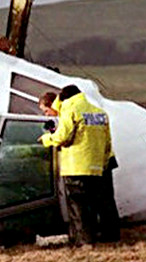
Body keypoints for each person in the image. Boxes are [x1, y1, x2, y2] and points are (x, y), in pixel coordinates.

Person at [39, 85, 115, 245]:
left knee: (78, 206)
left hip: (75, 166)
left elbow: (63, 136)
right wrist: (103, 163)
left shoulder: (70, 109)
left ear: (62, 99)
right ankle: (105, 237)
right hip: (96, 167)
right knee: (95, 204)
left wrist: (46, 139)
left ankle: (84, 241)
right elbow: (108, 143)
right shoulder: (100, 113)